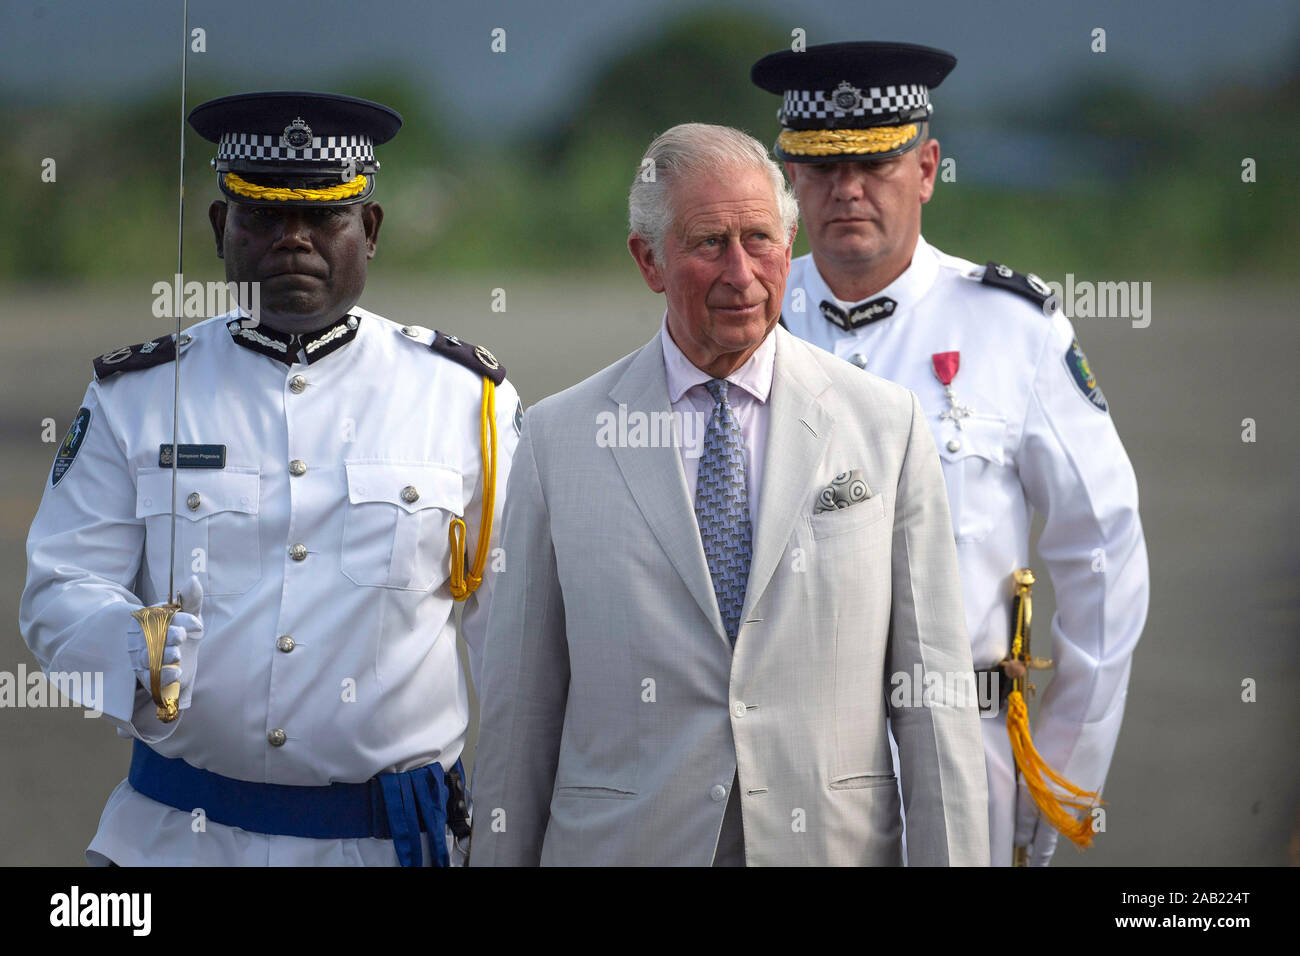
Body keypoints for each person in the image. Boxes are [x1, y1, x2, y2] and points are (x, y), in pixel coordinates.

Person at [20, 91, 521, 866]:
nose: (294, 242)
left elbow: (517, 642)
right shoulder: (139, 396)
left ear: (372, 230)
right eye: (261, 219)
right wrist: (129, 644)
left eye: (325, 220)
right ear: (222, 230)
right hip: (169, 840)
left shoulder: (464, 399)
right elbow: (58, 586)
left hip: (389, 846)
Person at [468, 123, 988, 867]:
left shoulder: (885, 425)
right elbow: (519, 717)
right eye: (710, 242)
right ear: (648, 259)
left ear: (790, 243)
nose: (741, 273)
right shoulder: (558, 442)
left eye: (761, 239)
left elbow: (934, 705)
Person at [751, 41, 1150, 866]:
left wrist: (1057, 777)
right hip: (776, 768)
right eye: (821, 168)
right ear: (791, 178)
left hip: (964, 756)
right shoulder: (742, 321)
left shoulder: (1013, 330)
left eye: (878, 163)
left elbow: (1101, 552)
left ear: (927, 168)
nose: (848, 189)